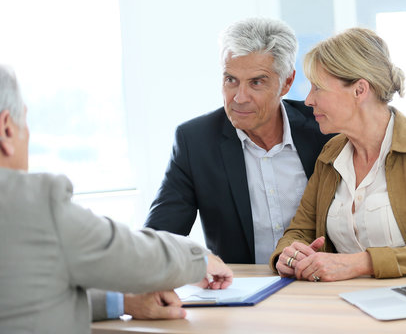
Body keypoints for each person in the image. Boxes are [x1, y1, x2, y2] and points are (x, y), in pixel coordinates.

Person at [144, 17, 406, 268]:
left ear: (286, 83)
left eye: (256, 82)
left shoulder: (325, 127)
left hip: (337, 284)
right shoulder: (195, 141)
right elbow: (159, 234)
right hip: (254, 288)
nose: (239, 98)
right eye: (229, 80)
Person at [0, 65, 233, 334]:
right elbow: (129, 254)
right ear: (6, 128)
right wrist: (199, 259)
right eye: (25, 122)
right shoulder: (33, 203)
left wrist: (121, 301)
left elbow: (27, 294)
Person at [270, 27, 406, 281]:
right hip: (338, 304)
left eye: (318, 88)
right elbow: (300, 231)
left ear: (359, 90)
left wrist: (361, 263)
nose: (308, 100)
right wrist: (288, 256)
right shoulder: (330, 154)